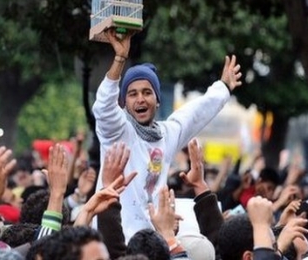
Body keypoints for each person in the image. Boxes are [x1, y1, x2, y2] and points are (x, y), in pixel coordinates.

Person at [92, 30, 242, 240]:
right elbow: (104, 107)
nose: (140, 99)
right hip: (111, 240)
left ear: (158, 100)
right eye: (132, 94)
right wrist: (119, 59)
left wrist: (224, 87)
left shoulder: (167, 134)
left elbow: (196, 113)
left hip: (151, 241)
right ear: (124, 104)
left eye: (147, 92)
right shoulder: (118, 130)